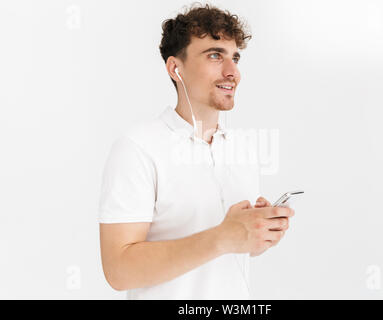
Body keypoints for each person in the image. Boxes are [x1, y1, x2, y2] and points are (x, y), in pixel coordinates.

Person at [98, 3, 294, 300]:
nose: (233, 72)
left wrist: (254, 234)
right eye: (215, 55)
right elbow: (119, 270)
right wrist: (223, 237)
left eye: (235, 57)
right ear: (175, 68)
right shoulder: (137, 148)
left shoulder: (243, 148)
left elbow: (228, 250)